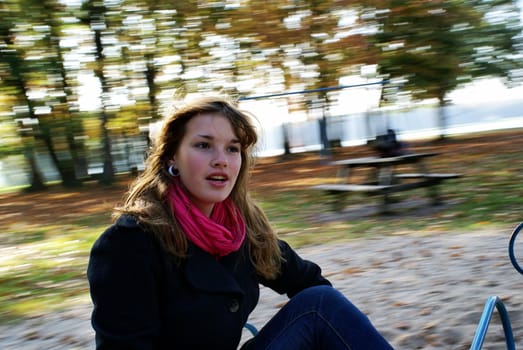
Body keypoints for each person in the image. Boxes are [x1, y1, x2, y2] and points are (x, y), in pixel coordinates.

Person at [87, 96, 394, 350]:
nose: (221, 159)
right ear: (172, 158)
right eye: (203, 145)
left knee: (319, 303)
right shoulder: (128, 243)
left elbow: (308, 282)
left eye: (232, 148)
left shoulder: (242, 230)